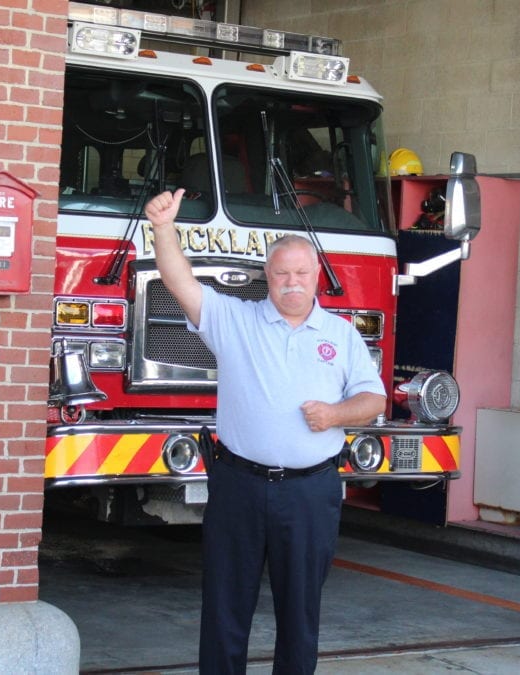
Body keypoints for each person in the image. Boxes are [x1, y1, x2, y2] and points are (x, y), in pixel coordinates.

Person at [144, 188, 386, 674]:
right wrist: (164, 228)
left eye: (300, 273)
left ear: (316, 276)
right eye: (281, 274)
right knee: (225, 609)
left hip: (310, 492)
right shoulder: (236, 321)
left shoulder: (341, 335)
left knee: (299, 614)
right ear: (267, 278)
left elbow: (374, 400)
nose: (291, 283)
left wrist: (335, 415)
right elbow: (180, 282)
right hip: (239, 487)